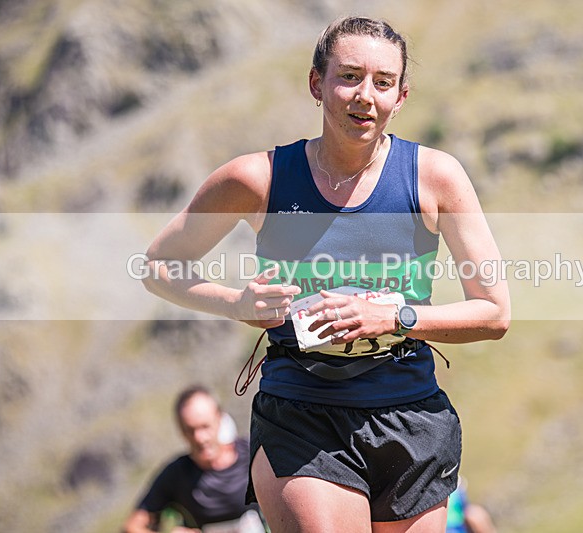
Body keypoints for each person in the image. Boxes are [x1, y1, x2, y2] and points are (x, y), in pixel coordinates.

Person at [141, 15, 510, 533]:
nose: (365, 95)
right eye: (350, 76)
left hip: (412, 414)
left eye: (383, 83)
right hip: (302, 411)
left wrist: (394, 316)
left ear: (401, 97)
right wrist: (236, 304)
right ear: (317, 83)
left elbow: (494, 313)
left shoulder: (436, 178)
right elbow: (156, 266)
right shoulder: (258, 178)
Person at [123, 385, 263, 533]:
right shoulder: (177, 474)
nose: (199, 438)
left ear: (220, 419)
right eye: (190, 430)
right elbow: (131, 527)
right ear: (181, 430)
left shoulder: (253, 454)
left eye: (205, 427)